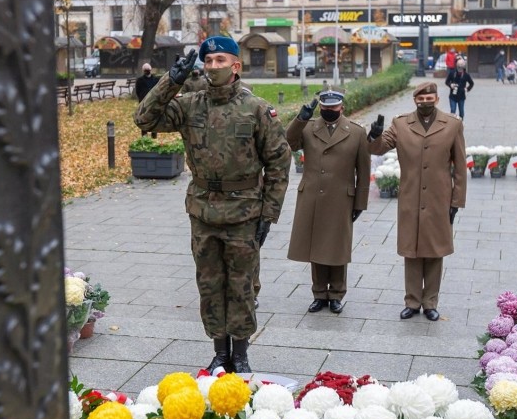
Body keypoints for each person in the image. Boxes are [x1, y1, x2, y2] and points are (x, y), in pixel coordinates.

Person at [134, 36, 291, 373]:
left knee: (242, 286)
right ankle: (220, 352)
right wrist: (170, 80)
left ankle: (242, 353)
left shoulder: (256, 109)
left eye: (221, 60)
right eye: (208, 61)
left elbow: (279, 161)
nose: (213, 66)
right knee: (209, 284)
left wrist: (269, 212)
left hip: (244, 211)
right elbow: (144, 119)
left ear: (236, 66)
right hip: (203, 210)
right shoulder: (190, 104)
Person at [366, 82, 467, 322]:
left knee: (435, 251)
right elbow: (378, 149)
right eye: (421, 100)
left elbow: (460, 167)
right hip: (410, 197)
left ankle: (430, 302)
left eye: (430, 99)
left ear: (437, 99)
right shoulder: (401, 124)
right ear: (415, 101)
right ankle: (412, 302)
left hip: (439, 198)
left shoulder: (453, 125)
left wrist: (456, 201)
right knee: (411, 250)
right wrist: (374, 134)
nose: (425, 103)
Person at [286, 90, 370, 315]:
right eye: (325, 107)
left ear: (341, 107)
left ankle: (336, 294)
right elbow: (290, 142)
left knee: (337, 248)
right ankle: (319, 293)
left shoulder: (356, 132)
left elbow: (363, 170)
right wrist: (300, 118)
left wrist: (360, 202)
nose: (329, 111)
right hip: (312, 195)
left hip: (341, 197)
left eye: (333, 108)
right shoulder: (309, 127)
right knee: (316, 247)